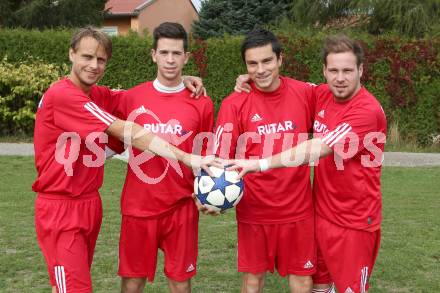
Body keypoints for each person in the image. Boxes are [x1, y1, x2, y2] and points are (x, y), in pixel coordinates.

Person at [32, 26, 213, 293]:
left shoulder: (97, 95)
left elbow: (151, 94)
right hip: (61, 208)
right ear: (71, 54)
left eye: (101, 60)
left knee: (75, 283)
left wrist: (178, 76)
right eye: (86, 57)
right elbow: (128, 131)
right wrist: (186, 157)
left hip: (89, 204)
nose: (93, 65)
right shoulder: (63, 94)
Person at [229, 34, 387, 293]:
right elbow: (282, 86)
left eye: (348, 70)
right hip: (319, 214)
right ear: (324, 71)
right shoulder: (321, 94)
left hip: (354, 222)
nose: (340, 78)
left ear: (361, 70)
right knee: (319, 287)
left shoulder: (365, 110)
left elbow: (319, 147)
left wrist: (259, 164)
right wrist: (253, 77)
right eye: (333, 70)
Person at [112, 22, 214, 293]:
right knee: (133, 282)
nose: (170, 60)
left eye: (177, 53)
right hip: (138, 206)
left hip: (181, 207)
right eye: (165, 52)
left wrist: (204, 193)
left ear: (186, 57)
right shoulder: (130, 98)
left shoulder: (202, 102)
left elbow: (204, 155)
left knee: (180, 282)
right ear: (153, 54)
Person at [213, 28, 317, 293]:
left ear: (280, 59)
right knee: (252, 281)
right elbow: (220, 158)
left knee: (303, 279)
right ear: (245, 66)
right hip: (254, 211)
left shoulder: (306, 93)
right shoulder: (233, 104)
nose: (260, 69)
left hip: (298, 209)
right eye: (252, 63)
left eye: (267, 61)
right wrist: (210, 194)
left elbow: (342, 92)